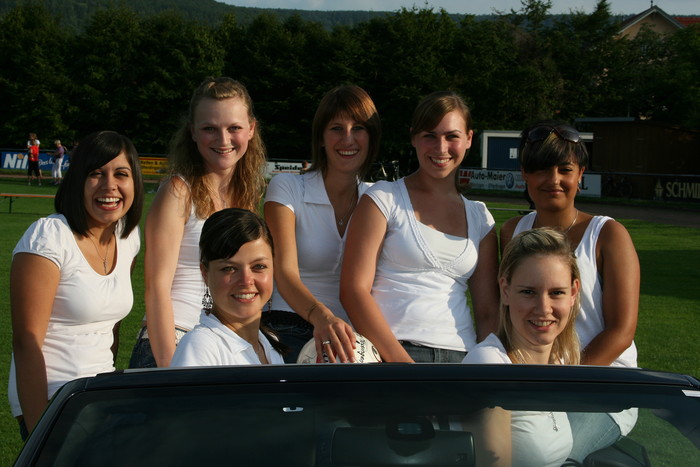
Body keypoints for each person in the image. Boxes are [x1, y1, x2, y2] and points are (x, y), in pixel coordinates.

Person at [499, 120, 640, 462]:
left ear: (581, 175)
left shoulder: (608, 234)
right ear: (524, 174)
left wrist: (563, 383)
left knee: (551, 456)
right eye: (541, 169)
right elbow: (507, 313)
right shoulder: (511, 232)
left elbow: (621, 331)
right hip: (532, 383)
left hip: (604, 388)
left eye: (565, 169)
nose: (554, 180)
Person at [340, 91, 499, 363]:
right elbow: (353, 291)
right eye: (429, 136)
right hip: (393, 355)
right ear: (413, 137)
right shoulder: (384, 199)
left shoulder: (480, 217)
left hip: (463, 358)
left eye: (452, 136)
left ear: (469, 139)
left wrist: (485, 370)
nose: (441, 148)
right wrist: (402, 365)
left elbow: (487, 313)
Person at [9, 130, 144, 439]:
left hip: (99, 393)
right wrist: (42, 431)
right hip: (54, 397)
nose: (109, 185)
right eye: (95, 174)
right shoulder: (48, 237)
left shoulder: (128, 236)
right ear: (77, 181)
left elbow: (111, 325)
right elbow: (26, 341)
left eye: (121, 174)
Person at [129, 77, 266, 368]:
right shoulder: (178, 191)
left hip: (221, 344)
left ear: (251, 129)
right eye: (209, 129)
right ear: (192, 132)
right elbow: (156, 288)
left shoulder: (246, 195)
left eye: (234, 128)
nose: (223, 140)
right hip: (175, 341)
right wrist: (172, 371)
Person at [263, 85, 381, 363]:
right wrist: (323, 318)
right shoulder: (288, 187)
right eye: (336, 128)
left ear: (371, 137)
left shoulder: (378, 199)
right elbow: (284, 272)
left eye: (358, 128)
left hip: (352, 338)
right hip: (290, 325)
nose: (347, 139)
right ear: (321, 138)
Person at [462, 227, 581, 467]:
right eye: (528, 292)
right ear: (505, 291)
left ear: (573, 293)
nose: (543, 308)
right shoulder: (490, 367)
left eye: (556, 292)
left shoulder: (559, 362)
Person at [171, 208, 285, 366]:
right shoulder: (201, 348)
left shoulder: (269, 344)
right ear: (205, 273)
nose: (246, 280)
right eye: (229, 268)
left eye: (258, 266)